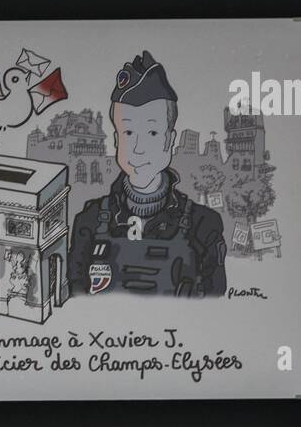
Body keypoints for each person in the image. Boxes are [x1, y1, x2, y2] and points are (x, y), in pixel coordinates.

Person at [68, 50, 227, 298]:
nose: (139, 149)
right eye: (129, 133)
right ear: (115, 140)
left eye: (152, 133)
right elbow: (75, 300)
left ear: (170, 140)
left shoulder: (204, 226)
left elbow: (217, 308)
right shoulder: (88, 221)